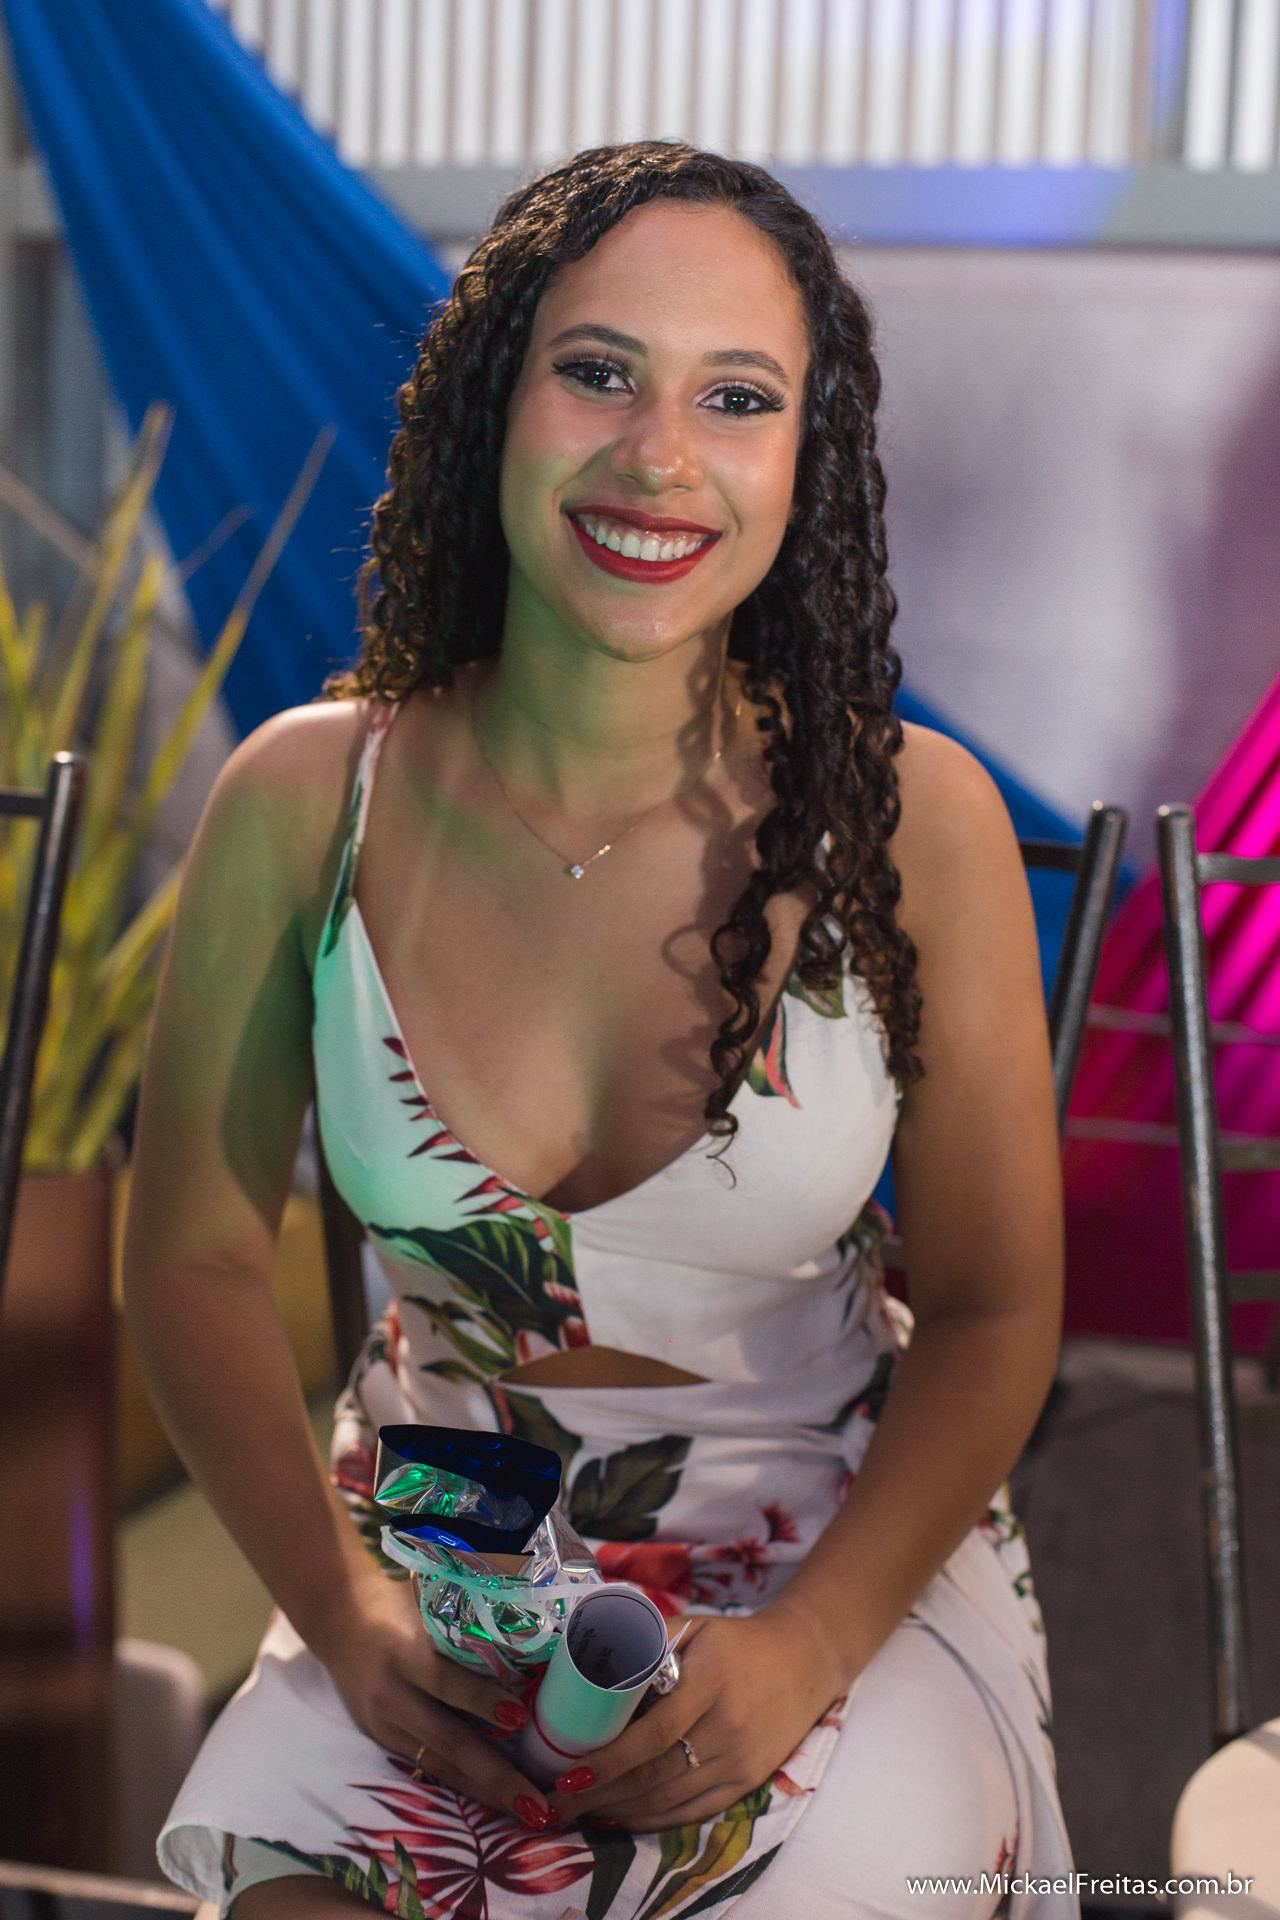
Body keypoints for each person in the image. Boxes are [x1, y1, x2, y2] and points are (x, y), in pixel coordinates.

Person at [127, 140, 1078, 1920]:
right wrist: (343, 1609)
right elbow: (187, 1263)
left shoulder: (910, 823)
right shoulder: (303, 804)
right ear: (494, 400)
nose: (659, 455)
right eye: (598, 372)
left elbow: (997, 1309)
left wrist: (808, 1647)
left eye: (737, 398)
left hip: (834, 1558)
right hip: (427, 1580)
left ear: (804, 458)